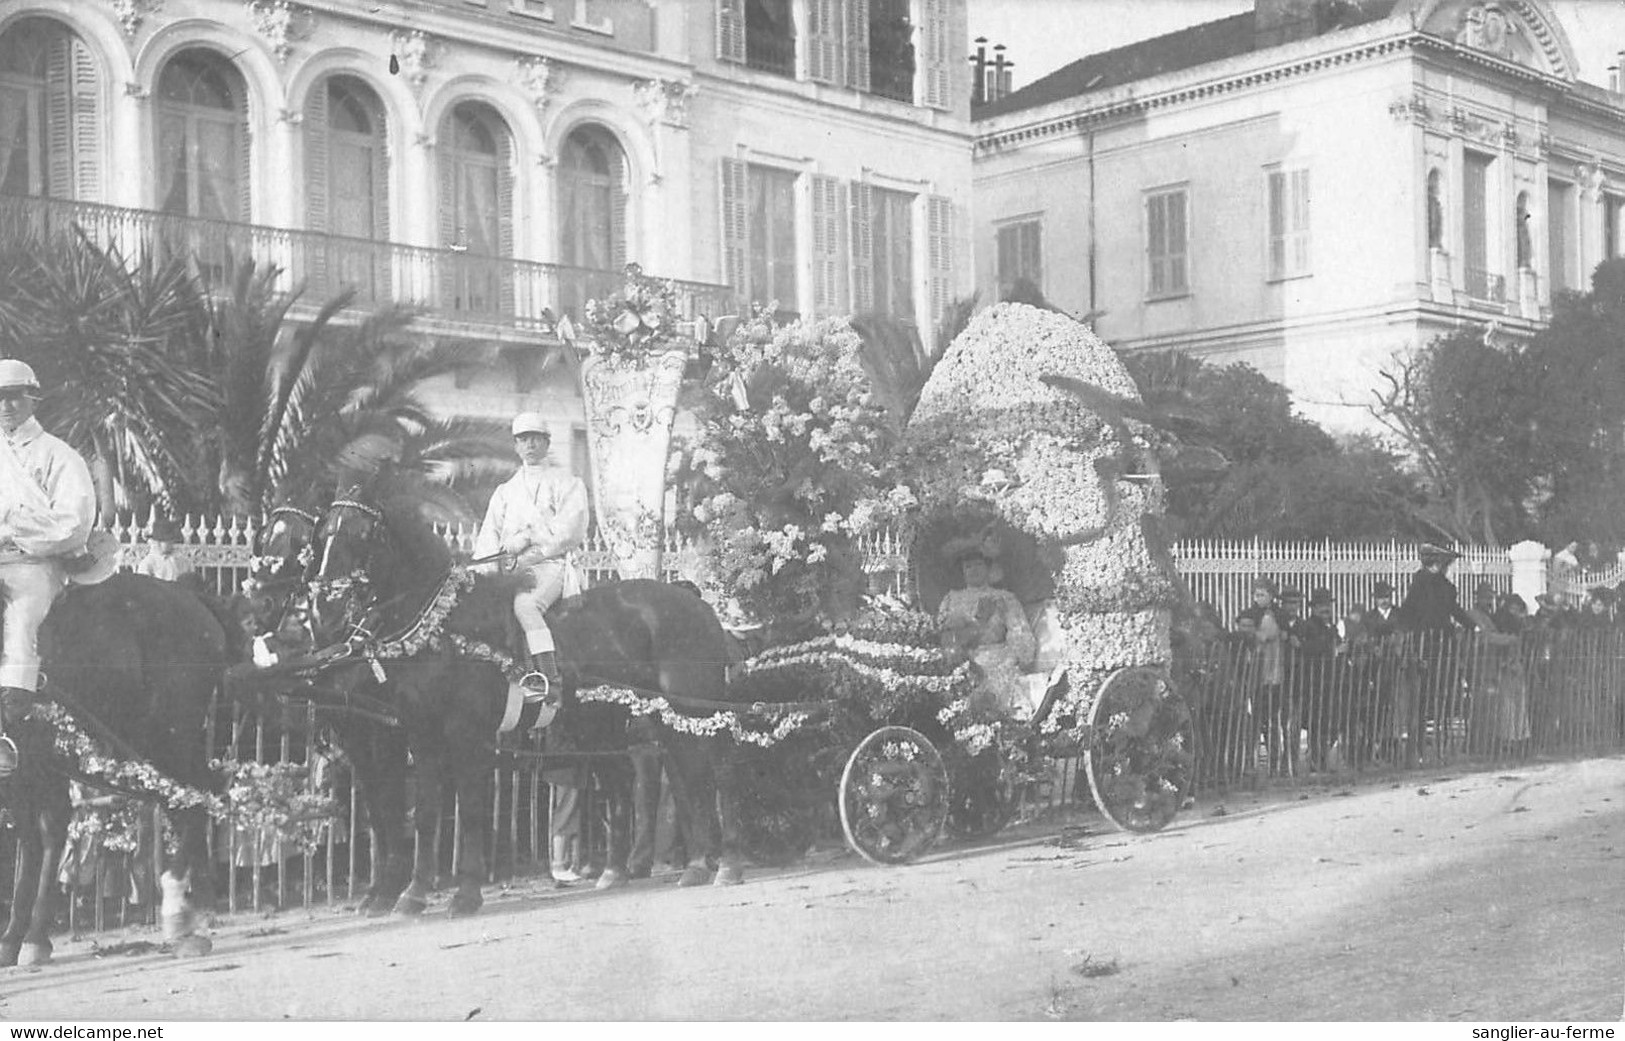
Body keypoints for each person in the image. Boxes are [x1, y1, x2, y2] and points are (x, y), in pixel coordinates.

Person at [0, 360, 96, 776]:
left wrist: (14, 528)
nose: (6, 406)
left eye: (14, 396)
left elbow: (73, 522)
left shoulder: (59, 455)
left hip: (33, 562)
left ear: (33, 398)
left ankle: (11, 724)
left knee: (21, 614)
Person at [472, 411, 590, 695]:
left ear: (547, 443)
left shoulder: (568, 483)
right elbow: (489, 535)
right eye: (523, 439)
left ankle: (549, 677)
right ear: (516, 446)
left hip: (550, 565)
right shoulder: (504, 492)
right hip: (511, 571)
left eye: (536, 439)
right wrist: (482, 573)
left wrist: (528, 540)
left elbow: (569, 530)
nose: (530, 445)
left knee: (526, 606)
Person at [937, 546, 1036, 714]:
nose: (974, 570)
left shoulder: (1004, 598)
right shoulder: (951, 599)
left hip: (998, 659)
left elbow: (1019, 630)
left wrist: (1016, 655)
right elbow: (944, 638)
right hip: (961, 659)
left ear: (988, 568)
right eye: (968, 566)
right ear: (962, 571)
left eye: (978, 565)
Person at [134, 516, 195, 585]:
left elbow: (191, 582)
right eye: (157, 541)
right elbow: (144, 587)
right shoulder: (148, 563)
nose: (157, 544)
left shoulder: (183, 561)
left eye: (166, 540)